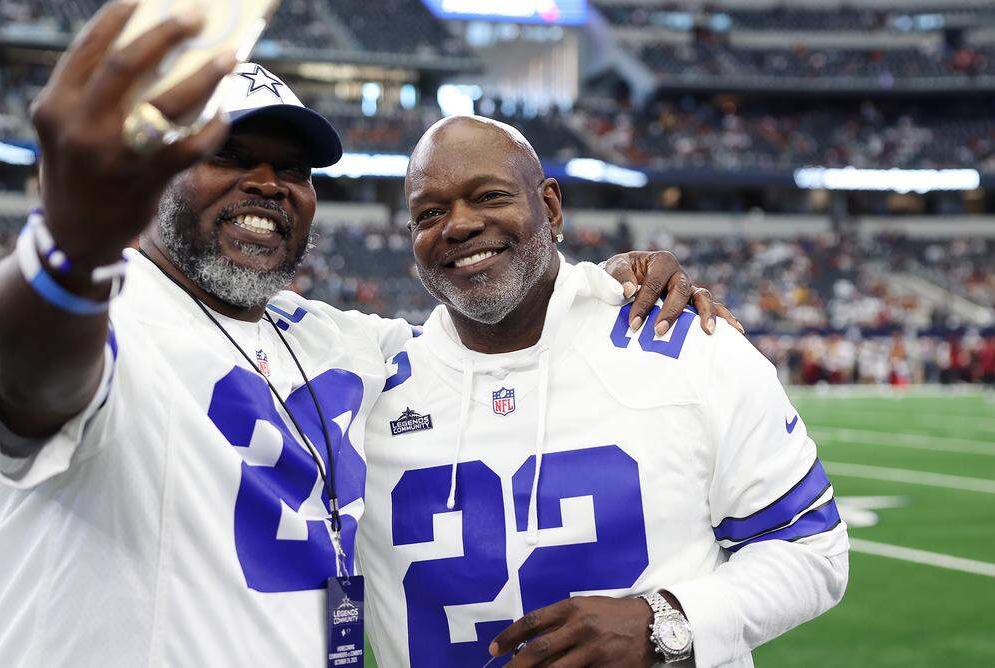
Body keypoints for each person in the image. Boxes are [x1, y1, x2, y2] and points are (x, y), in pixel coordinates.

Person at [0, 0, 733, 666]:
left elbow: (489, 323)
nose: (268, 183)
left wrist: (599, 281)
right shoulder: (100, 314)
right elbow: (34, 378)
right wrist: (67, 250)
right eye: (228, 154)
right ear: (155, 172)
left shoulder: (337, 341)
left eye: (293, 169)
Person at [359, 115, 849, 668]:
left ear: (550, 207)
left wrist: (665, 623)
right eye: (430, 212)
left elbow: (812, 550)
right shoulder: (365, 386)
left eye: (489, 196)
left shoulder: (692, 348)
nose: (460, 225)